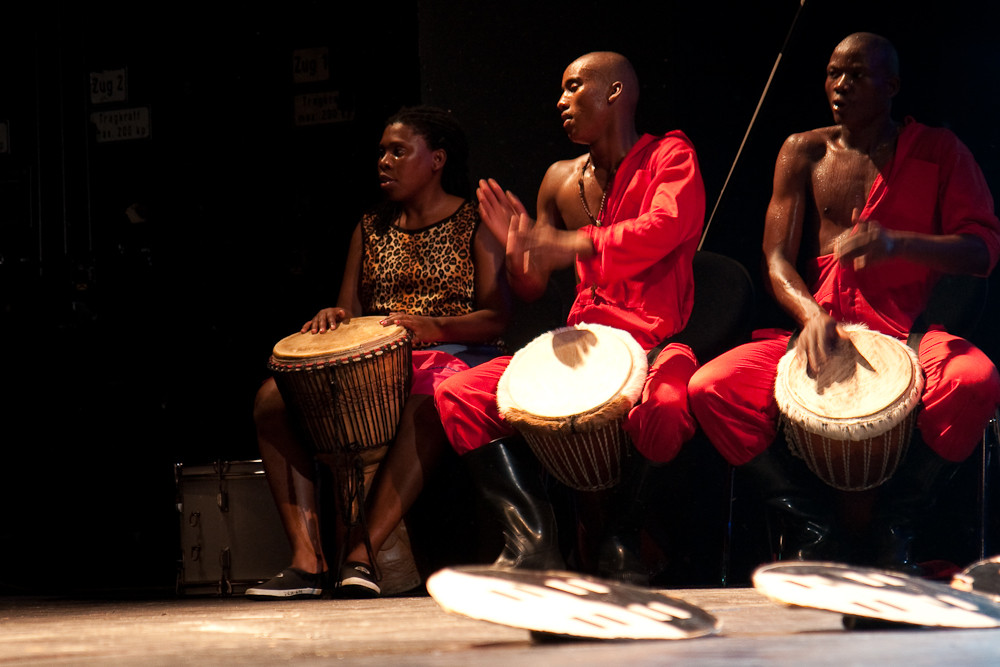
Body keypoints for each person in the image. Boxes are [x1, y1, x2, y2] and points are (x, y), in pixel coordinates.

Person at [688, 33, 1000, 573]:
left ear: (892, 86)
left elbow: (982, 250)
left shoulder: (939, 151)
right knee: (711, 387)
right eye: (833, 73)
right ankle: (812, 526)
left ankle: (895, 525)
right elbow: (776, 261)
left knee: (975, 380)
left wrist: (898, 243)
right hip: (819, 328)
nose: (841, 85)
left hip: (906, 333)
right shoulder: (802, 151)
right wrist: (811, 315)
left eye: (856, 74)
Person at [434, 51, 706, 585]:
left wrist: (569, 243)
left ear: (615, 93)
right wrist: (520, 257)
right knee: (459, 394)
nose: (560, 101)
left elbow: (662, 228)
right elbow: (533, 285)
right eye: (560, 90)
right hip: (582, 342)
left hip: (654, 343)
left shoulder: (671, 157)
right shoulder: (559, 179)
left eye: (573, 86)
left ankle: (624, 538)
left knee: (670, 407)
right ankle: (533, 541)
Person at [248, 106, 511, 599]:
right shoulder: (371, 228)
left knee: (430, 399)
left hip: (457, 355)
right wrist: (333, 317)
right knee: (271, 399)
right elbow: (350, 312)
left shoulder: (474, 222)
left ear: (436, 159)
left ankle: (360, 553)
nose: (384, 162)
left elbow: (496, 317)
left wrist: (430, 326)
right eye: (381, 152)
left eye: (398, 151)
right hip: (382, 364)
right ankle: (307, 561)